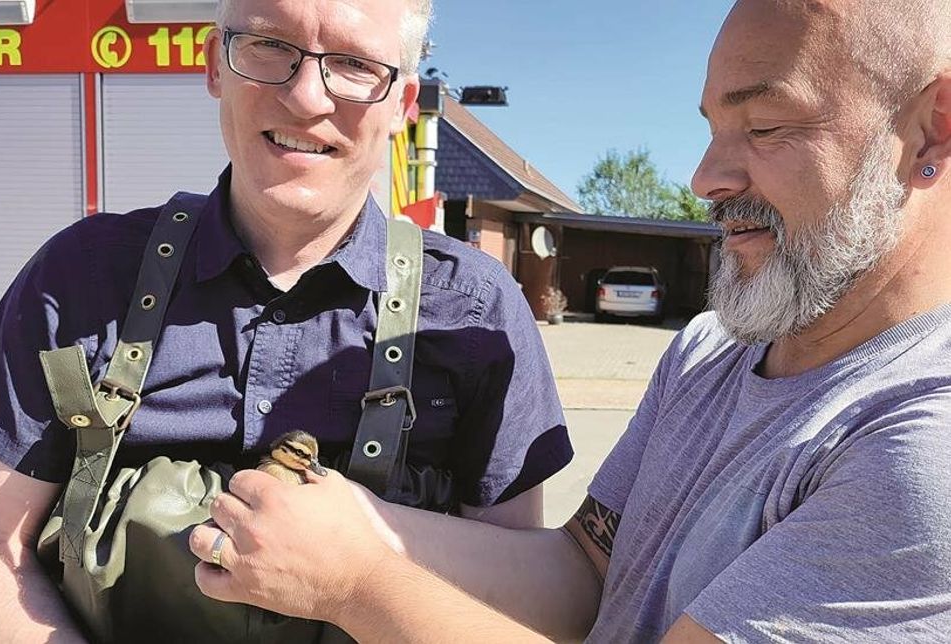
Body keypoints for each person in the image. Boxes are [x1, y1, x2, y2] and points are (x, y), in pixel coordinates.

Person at [189, 0, 951, 641]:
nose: (705, 179)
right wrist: (350, 518)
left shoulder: (923, 450)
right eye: (715, 128)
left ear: (933, 129)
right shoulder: (710, 353)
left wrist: (353, 582)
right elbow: (586, 569)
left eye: (766, 126)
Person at [0, 0, 573, 639]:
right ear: (216, 64)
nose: (303, 96)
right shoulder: (79, 279)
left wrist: (361, 566)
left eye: (352, 64)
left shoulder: (476, 310)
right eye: (269, 46)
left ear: (403, 104)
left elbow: (528, 596)